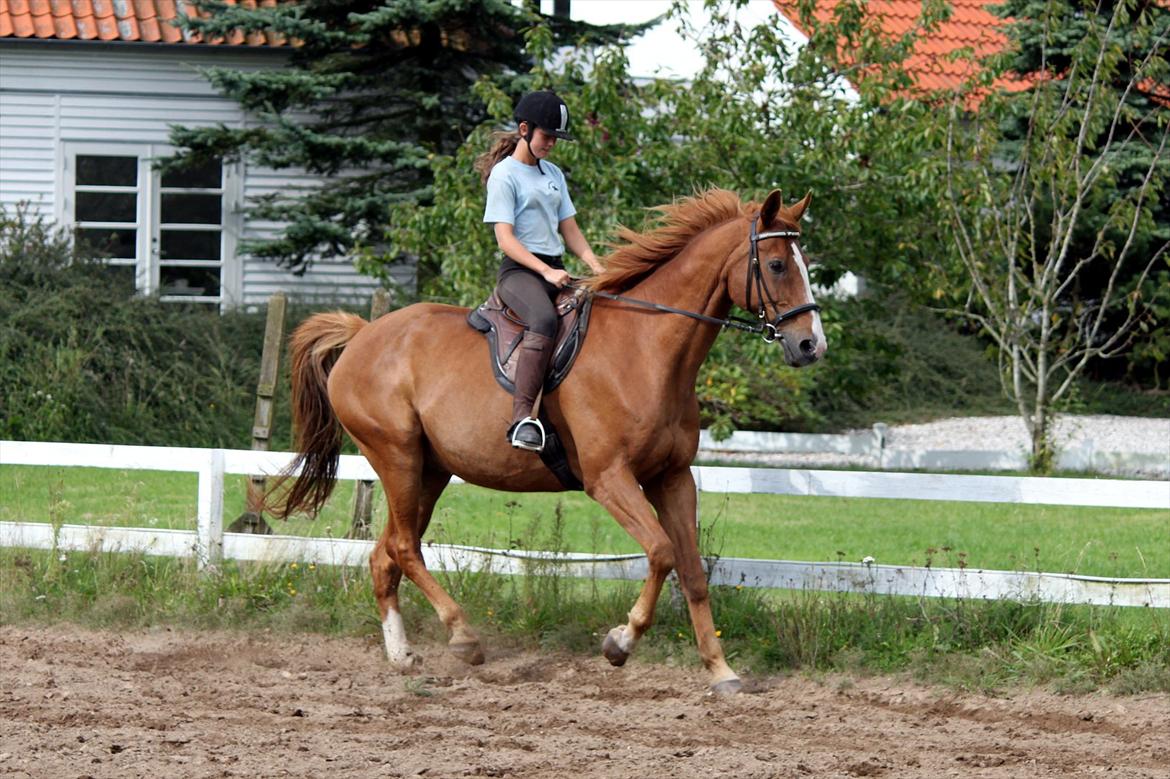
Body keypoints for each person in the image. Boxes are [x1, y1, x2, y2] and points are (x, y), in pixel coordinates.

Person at [476, 90, 604, 453]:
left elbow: (570, 229)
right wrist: (545, 272)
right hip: (520, 272)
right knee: (544, 320)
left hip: (556, 268)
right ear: (524, 129)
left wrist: (597, 267)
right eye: (546, 136)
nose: (551, 144)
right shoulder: (505, 175)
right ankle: (522, 419)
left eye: (555, 138)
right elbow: (506, 238)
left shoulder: (554, 174)